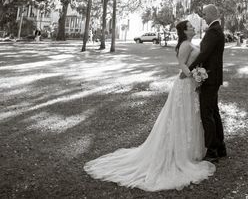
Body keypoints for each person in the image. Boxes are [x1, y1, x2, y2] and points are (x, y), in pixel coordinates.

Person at [84, 20, 215, 192]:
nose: (193, 28)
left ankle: (189, 150)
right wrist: (193, 75)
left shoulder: (190, 43)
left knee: (189, 116)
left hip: (191, 85)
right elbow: (181, 64)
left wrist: (196, 76)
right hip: (185, 84)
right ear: (184, 31)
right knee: (180, 116)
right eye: (190, 27)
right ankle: (178, 153)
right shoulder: (185, 45)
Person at [189, 4, 226, 162]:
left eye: (204, 14)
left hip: (210, 78)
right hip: (213, 77)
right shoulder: (216, 29)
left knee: (207, 114)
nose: (203, 16)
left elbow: (204, 54)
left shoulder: (213, 31)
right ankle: (220, 147)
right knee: (213, 111)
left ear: (211, 14)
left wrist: (188, 69)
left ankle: (212, 151)